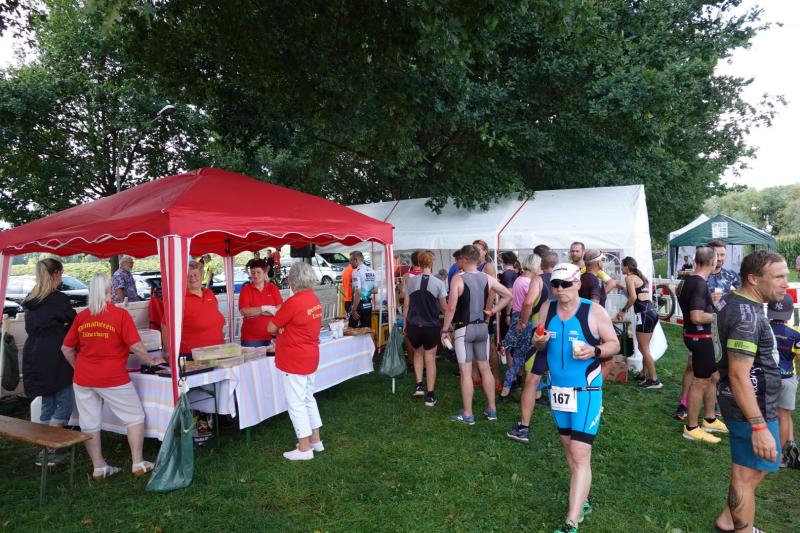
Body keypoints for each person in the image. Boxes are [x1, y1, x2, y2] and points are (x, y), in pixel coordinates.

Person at [531, 263, 619, 533]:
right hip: (558, 390)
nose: (559, 289)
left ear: (578, 284)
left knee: (580, 452)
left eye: (565, 284)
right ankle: (583, 500)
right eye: (555, 285)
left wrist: (595, 351)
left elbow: (614, 344)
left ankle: (571, 522)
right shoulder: (547, 308)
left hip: (586, 390)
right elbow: (538, 340)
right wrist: (539, 342)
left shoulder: (593, 311)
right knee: (570, 449)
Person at [712, 250, 788, 532]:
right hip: (750, 404)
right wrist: (758, 425)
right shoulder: (747, 317)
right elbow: (738, 374)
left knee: (758, 466)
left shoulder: (732, 301)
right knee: (745, 475)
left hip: (750, 401)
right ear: (754, 279)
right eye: (778, 277)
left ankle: (727, 518)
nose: (785, 283)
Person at [61, 273, 163, 480]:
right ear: (110, 291)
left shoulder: (82, 316)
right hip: (112, 376)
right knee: (134, 417)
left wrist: (78, 367)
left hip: (83, 378)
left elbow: (66, 349)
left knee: (89, 423)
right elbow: (135, 346)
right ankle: (138, 462)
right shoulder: (120, 315)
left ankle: (99, 467)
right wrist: (150, 361)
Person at [441, 245, 511, 424]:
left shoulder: (458, 278)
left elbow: (451, 307)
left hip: (464, 329)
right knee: (485, 368)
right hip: (482, 328)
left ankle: (468, 414)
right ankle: (492, 409)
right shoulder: (487, 278)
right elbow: (508, 295)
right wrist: (493, 310)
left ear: (464, 259)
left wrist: (445, 329)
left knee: (465, 372)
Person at [22, 258, 77, 466]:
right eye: (60, 274)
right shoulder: (57, 299)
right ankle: (51, 448)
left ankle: (45, 449)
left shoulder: (31, 298)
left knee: (48, 400)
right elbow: (73, 320)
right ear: (56, 274)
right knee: (65, 400)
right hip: (55, 352)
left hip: (34, 352)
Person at [267, 262, 324, 460]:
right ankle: (316, 441)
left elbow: (271, 327)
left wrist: (282, 328)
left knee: (296, 403)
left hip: (294, 358)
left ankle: (304, 448)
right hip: (310, 355)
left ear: (292, 281)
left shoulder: (293, 302)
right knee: (308, 398)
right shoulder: (313, 298)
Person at [677, 246, 728, 443]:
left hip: (695, 335)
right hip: (701, 338)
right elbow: (697, 317)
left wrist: (711, 304)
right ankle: (691, 428)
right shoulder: (699, 283)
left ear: (695, 261)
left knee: (713, 376)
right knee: (700, 382)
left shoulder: (688, 280)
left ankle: (709, 419)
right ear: (713, 262)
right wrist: (718, 316)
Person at [506, 251, 557, 443]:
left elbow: (528, 302)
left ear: (540, 264)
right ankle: (572, 424)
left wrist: (522, 322)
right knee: (560, 377)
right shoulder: (565, 280)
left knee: (531, 379)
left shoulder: (538, 280)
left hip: (540, 333)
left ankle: (524, 427)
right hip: (560, 333)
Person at [403, 250, 448, 406]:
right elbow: (444, 307)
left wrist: (405, 322)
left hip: (414, 325)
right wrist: (449, 324)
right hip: (431, 326)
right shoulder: (438, 283)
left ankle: (419, 385)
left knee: (417, 353)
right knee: (430, 358)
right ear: (432, 262)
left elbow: (406, 305)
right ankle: (430, 394)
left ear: (418, 263)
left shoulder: (411, 281)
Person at [499, 254, 542, 403]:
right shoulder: (529, 283)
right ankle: (533, 392)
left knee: (518, 357)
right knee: (528, 357)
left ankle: (506, 391)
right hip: (525, 319)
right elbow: (528, 304)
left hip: (516, 316)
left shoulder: (519, 279)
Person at [165, 261, 225, 359]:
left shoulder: (209, 293)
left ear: (202, 276)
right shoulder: (179, 299)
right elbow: (165, 325)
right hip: (192, 356)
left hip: (218, 351)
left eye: (195, 275)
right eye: (188, 275)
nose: (192, 278)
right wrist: (168, 350)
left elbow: (215, 316)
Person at [766, 294, 800, 468]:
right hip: (787, 378)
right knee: (783, 415)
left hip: (766, 376)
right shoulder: (795, 333)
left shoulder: (764, 328)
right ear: (790, 312)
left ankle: (789, 443)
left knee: (769, 414)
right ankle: (779, 457)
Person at [617, 257, 661, 389]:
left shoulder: (629, 278)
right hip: (651, 313)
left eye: (622, 266)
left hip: (644, 314)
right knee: (644, 347)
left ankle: (654, 380)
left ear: (627, 266)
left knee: (643, 348)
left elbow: (633, 297)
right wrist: (623, 289)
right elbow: (636, 294)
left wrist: (623, 311)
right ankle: (643, 374)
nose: (621, 268)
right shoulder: (638, 277)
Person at [238, 259, 284, 347]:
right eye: (253, 273)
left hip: (273, 336)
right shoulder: (246, 290)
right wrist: (266, 308)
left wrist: (257, 312)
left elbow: (279, 309)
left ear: (265, 273)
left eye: (258, 272)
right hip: (251, 338)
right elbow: (244, 311)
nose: (255, 275)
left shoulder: (273, 288)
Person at [349, 251, 376, 329]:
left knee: (351, 330)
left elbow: (358, 292)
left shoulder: (356, 272)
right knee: (366, 330)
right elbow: (376, 290)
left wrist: (353, 310)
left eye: (351, 260)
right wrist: (366, 292)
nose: (350, 263)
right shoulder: (372, 270)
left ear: (356, 260)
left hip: (359, 305)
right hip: (368, 305)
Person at [498, 251, 520, 343]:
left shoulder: (507, 274)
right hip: (513, 308)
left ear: (502, 260)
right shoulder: (514, 273)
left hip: (508, 309)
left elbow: (510, 295)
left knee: (506, 338)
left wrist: (507, 315)